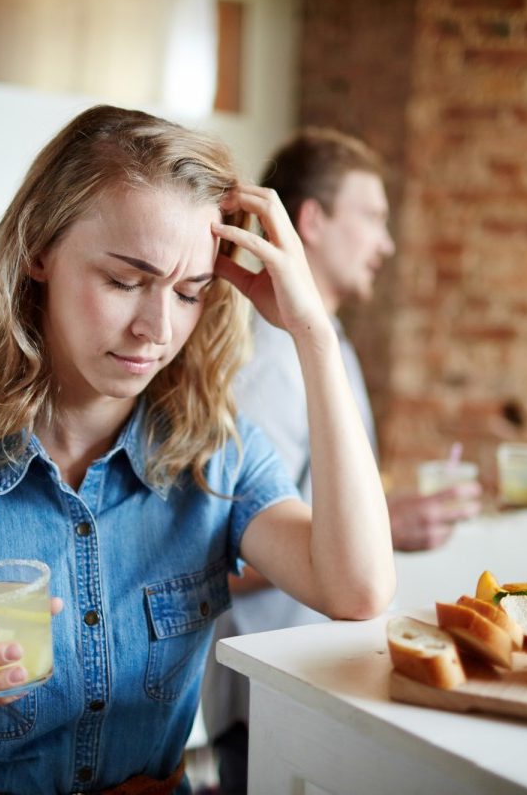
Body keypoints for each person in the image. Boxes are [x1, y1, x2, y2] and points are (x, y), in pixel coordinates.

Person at [0, 105, 395, 795]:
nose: (157, 328)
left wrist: (313, 332)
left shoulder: (218, 458)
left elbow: (357, 591)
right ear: (40, 251)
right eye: (125, 281)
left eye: (189, 292)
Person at [201, 127, 481, 795]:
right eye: (374, 218)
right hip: (269, 689)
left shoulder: (324, 344)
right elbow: (215, 551)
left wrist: (378, 515)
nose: (387, 243)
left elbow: (311, 494)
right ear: (313, 222)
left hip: (310, 675)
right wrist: (377, 530)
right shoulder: (268, 364)